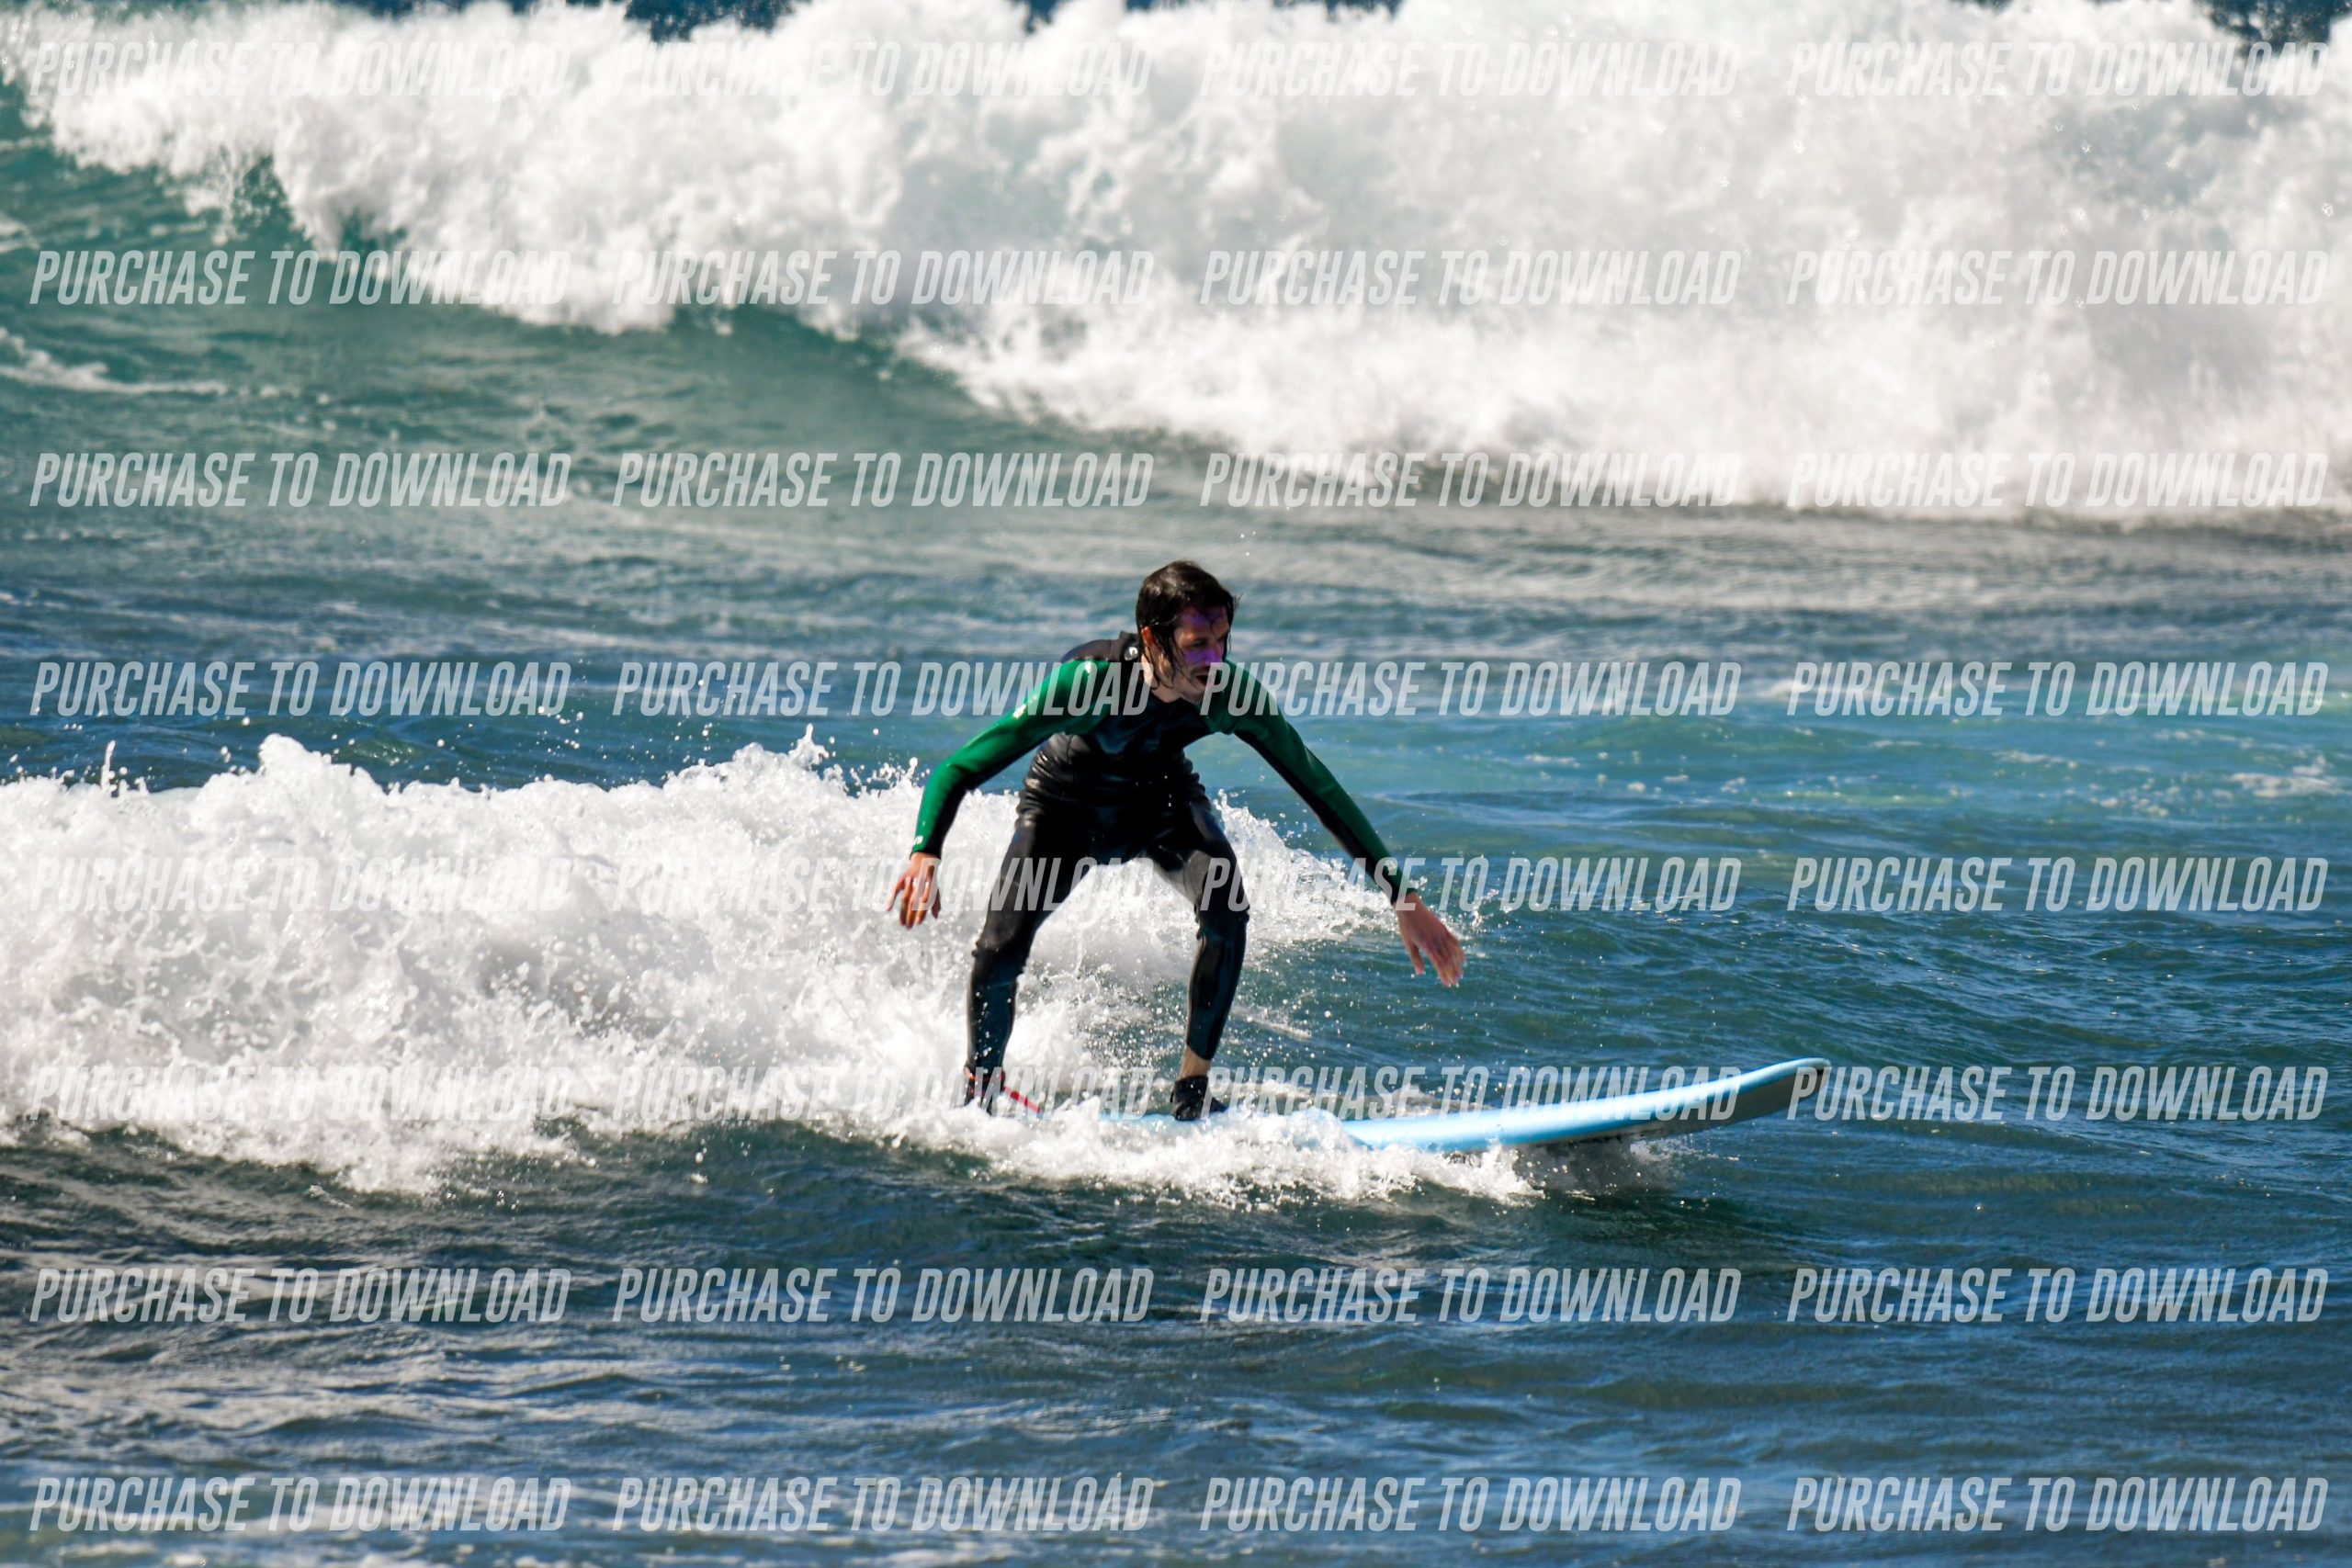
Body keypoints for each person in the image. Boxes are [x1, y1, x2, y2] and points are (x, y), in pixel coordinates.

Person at [890, 561, 1465, 1119]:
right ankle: (982, 1089)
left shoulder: (1228, 695)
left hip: (1159, 800)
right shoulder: (1088, 683)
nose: (1214, 660)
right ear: (1152, 639)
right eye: (1196, 645)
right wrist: (926, 850)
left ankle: (1193, 1087)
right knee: (999, 949)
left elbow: (1319, 787)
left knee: (1227, 907)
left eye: (1222, 640)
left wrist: (1402, 897)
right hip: (1064, 807)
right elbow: (960, 767)